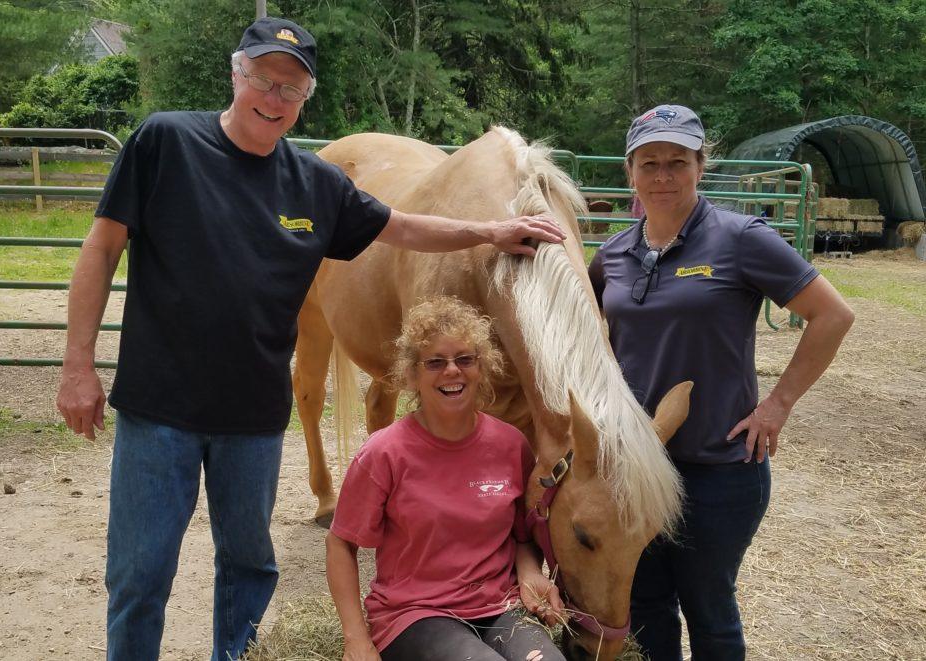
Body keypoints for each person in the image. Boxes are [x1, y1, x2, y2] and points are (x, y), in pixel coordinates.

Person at [54, 16, 565, 661]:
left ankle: (234, 656)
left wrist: (490, 232)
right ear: (237, 75)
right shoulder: (165, 142)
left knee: (248, 566)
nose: (275, 99)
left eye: (292, 90)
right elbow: (101, 249)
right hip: (160, 410)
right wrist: (78, 365)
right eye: (265, 80)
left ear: (305, 99)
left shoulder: (315, 184)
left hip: (253, 420)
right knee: (140, 573)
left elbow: (402, 228)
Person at [588, 104, 854, 659]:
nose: (663, 176)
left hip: (719, 465)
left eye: (677, 162)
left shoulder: (741, 238)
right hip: (637, 464)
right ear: (629, 171)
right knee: (646, 602)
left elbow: (832, 315)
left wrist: (777, 404)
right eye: (650, 162)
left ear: (700, 167)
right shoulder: (612, 254)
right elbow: (591, 336)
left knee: (709, 608)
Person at [326, 296, 565, 661]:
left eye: (464, 359)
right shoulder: (384, 453)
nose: (452, 370)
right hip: (416, 613)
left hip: (500, 606)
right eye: (435, 362)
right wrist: (355, 638)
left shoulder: (510, 445)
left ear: (481, 367)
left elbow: (521, 536)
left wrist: (530, 571)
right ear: (412, 375)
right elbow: (341, 543)